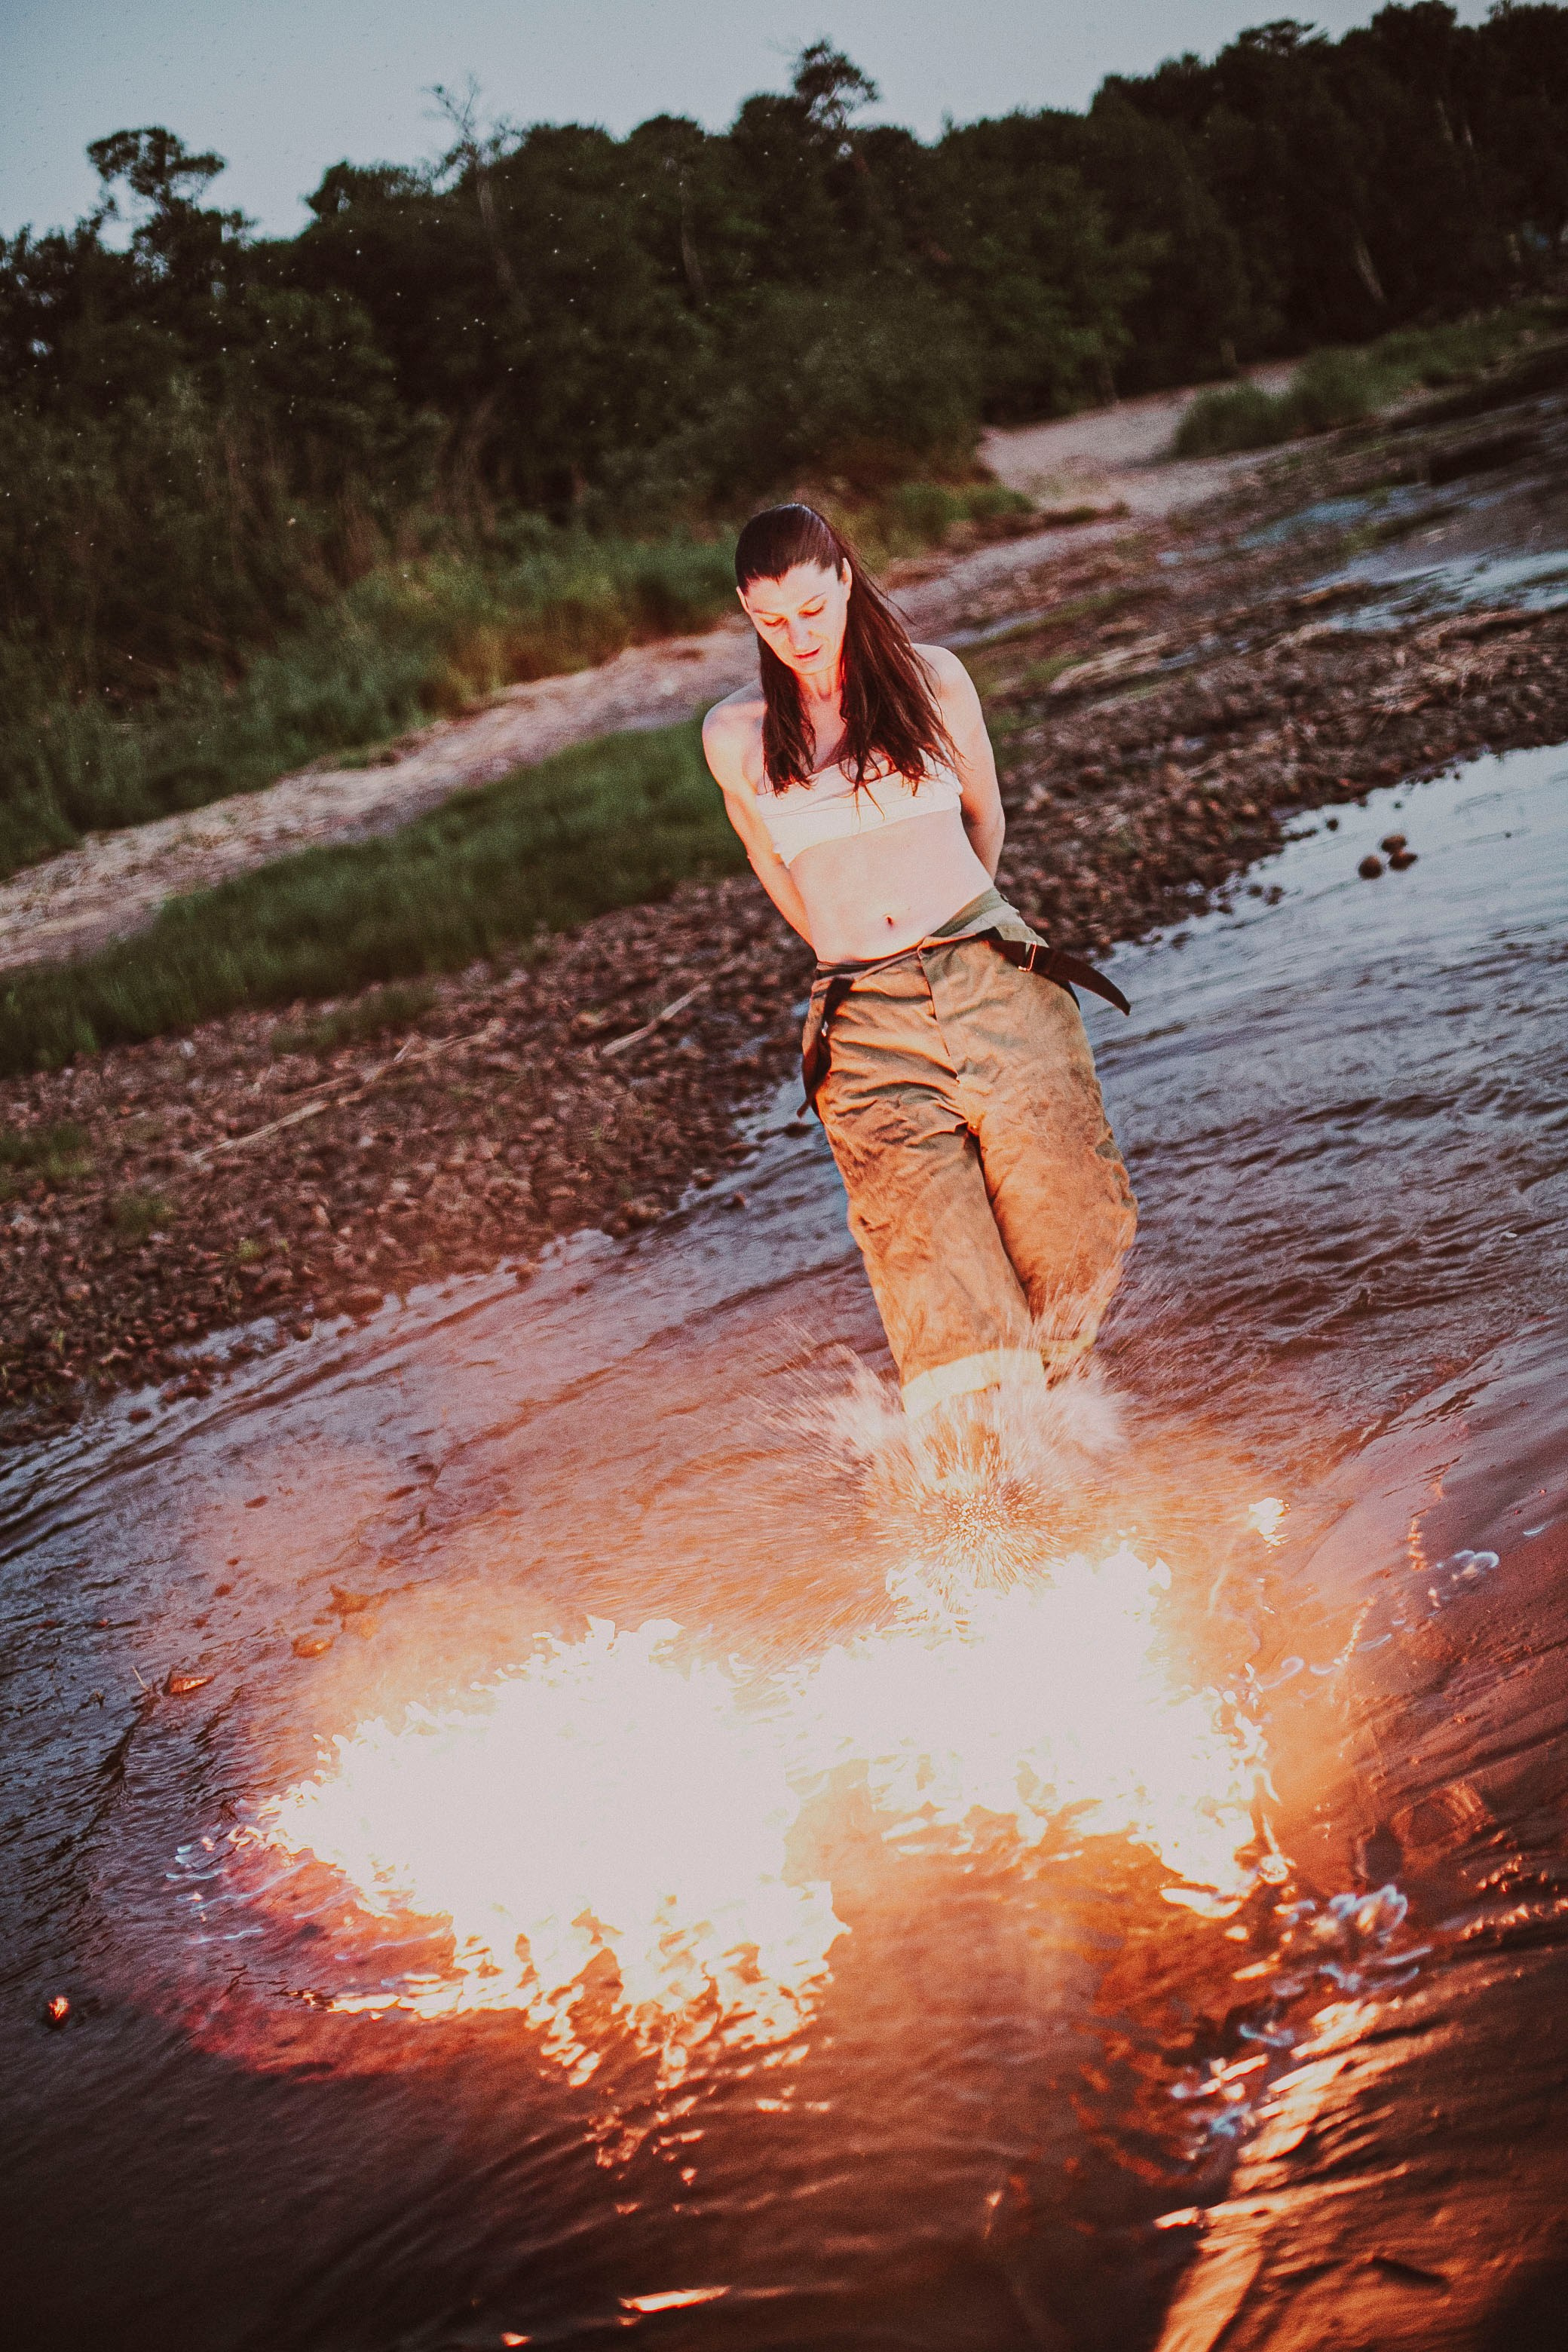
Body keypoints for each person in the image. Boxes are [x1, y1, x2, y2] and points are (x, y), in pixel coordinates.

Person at [702, 503, 1136, 1420]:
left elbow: (988, 816)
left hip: (989, 971)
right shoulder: (733, 736)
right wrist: (846, 949)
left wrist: (960, 928)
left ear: (847, 582)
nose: (799, 637)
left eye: (814, 610)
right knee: (938, 1285)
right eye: (772, 621)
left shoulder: (935, 680)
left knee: (1076, 1230)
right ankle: (1000, 1483)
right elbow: (770, 866)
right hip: (864, 1022)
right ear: (746, 609)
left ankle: (1066, 1423)